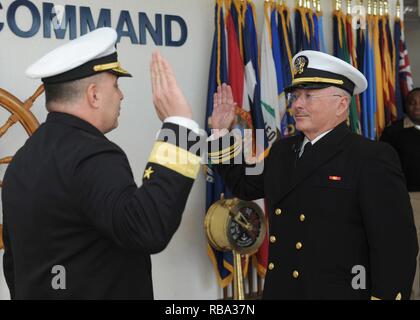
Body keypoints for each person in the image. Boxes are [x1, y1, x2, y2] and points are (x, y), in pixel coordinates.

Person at [1, 27, 201, 299]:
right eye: (116, 85)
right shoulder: (92, 154)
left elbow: (14, 266)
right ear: (93, 94)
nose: (121, 95)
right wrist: (181, 128)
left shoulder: (22, 160)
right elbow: (149, 228)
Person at [209, 50, 418, 300]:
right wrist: (220, 134)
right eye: (296, 95)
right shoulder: (282, 151)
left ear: (341, 103)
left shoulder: (371, 157)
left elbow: (395, 246)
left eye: (309, 96)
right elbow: (244, 185)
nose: (297, 104)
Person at [380, 88, 420, 299]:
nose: (417, 106)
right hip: (411, 199)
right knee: (414, 251)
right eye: (413, 102)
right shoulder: (394, 132)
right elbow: (382, 168)